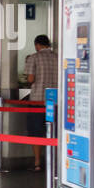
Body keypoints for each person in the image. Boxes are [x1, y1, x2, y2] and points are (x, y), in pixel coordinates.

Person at [24, 34, 57, 172]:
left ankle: (37, 162)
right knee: (54, 132)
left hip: (37, 100)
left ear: (37, 45)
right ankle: (55, 163)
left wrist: (28, 79)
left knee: (36, 132)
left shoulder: (34, 58)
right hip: (55, 101)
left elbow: (30, 79)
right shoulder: (57, 57)